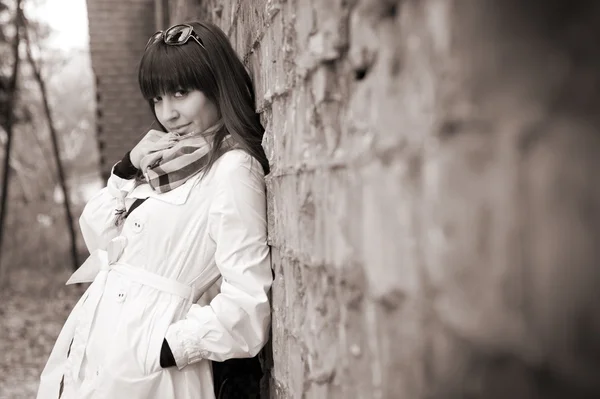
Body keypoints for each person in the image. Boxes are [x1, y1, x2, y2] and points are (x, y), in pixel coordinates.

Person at [37, 21, 273, 399]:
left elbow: (248, 303)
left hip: (151, 371)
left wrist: (166, 346)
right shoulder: (163, 163)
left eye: (181, 93)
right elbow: (101, 241)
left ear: (217, 85)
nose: (169, 114)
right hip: (96, 346)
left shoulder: (232, 169)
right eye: (158, 99)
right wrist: (128, 167)